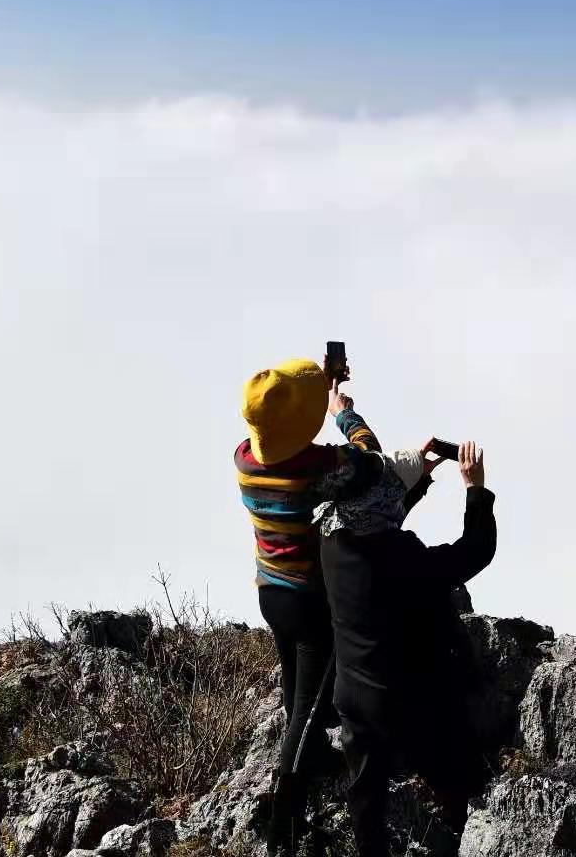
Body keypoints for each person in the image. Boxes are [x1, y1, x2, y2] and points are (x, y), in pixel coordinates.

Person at [236, 357, 435, 844]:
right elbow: (370, 459)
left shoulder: (243, 457)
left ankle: (312, 757)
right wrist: (343, 412)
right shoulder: (320, 467)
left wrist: (319, 395)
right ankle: (284, 822)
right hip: (309, 601)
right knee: (307, 708)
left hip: (270, 591)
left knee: (294, 685)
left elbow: (288, 436)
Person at [318, 440, 498, 857]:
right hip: (405, 700)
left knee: (368, 797)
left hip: (351, 694)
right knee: (455, 775)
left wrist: (412, 483)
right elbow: (475, 550)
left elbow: (370, 507)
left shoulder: (330, 538)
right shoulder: (405, 556)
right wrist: (476, 490)